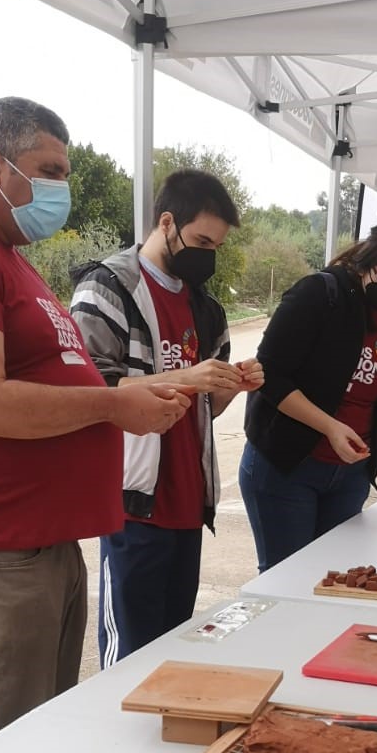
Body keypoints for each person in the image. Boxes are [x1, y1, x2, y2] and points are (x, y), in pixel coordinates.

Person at [0, 97, 189, 753]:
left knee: (40, 748)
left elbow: (54, 378)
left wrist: (125, 394)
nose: (61, 188)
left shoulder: (4, 255)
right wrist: (113, 406)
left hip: (38, 543)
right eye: (48, 169)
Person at [69, 170, 263, 663]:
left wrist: (232, 386)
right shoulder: (107, 288)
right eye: (200, 241)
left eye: (216, 246)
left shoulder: (207, 309)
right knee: (129, 655)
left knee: (170, 653)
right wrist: (188, 378)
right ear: (167, 222)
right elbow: (90, 391)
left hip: (187, 505)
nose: (207, 255)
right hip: (135, 506)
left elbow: (206, 408)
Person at [240, 220, 377, 571]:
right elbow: (270, 375)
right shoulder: (319, 295)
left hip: (351, 474)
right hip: (287, 466)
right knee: (287, 580)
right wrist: (329, 426)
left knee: (336, 580)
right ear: (364, 263)